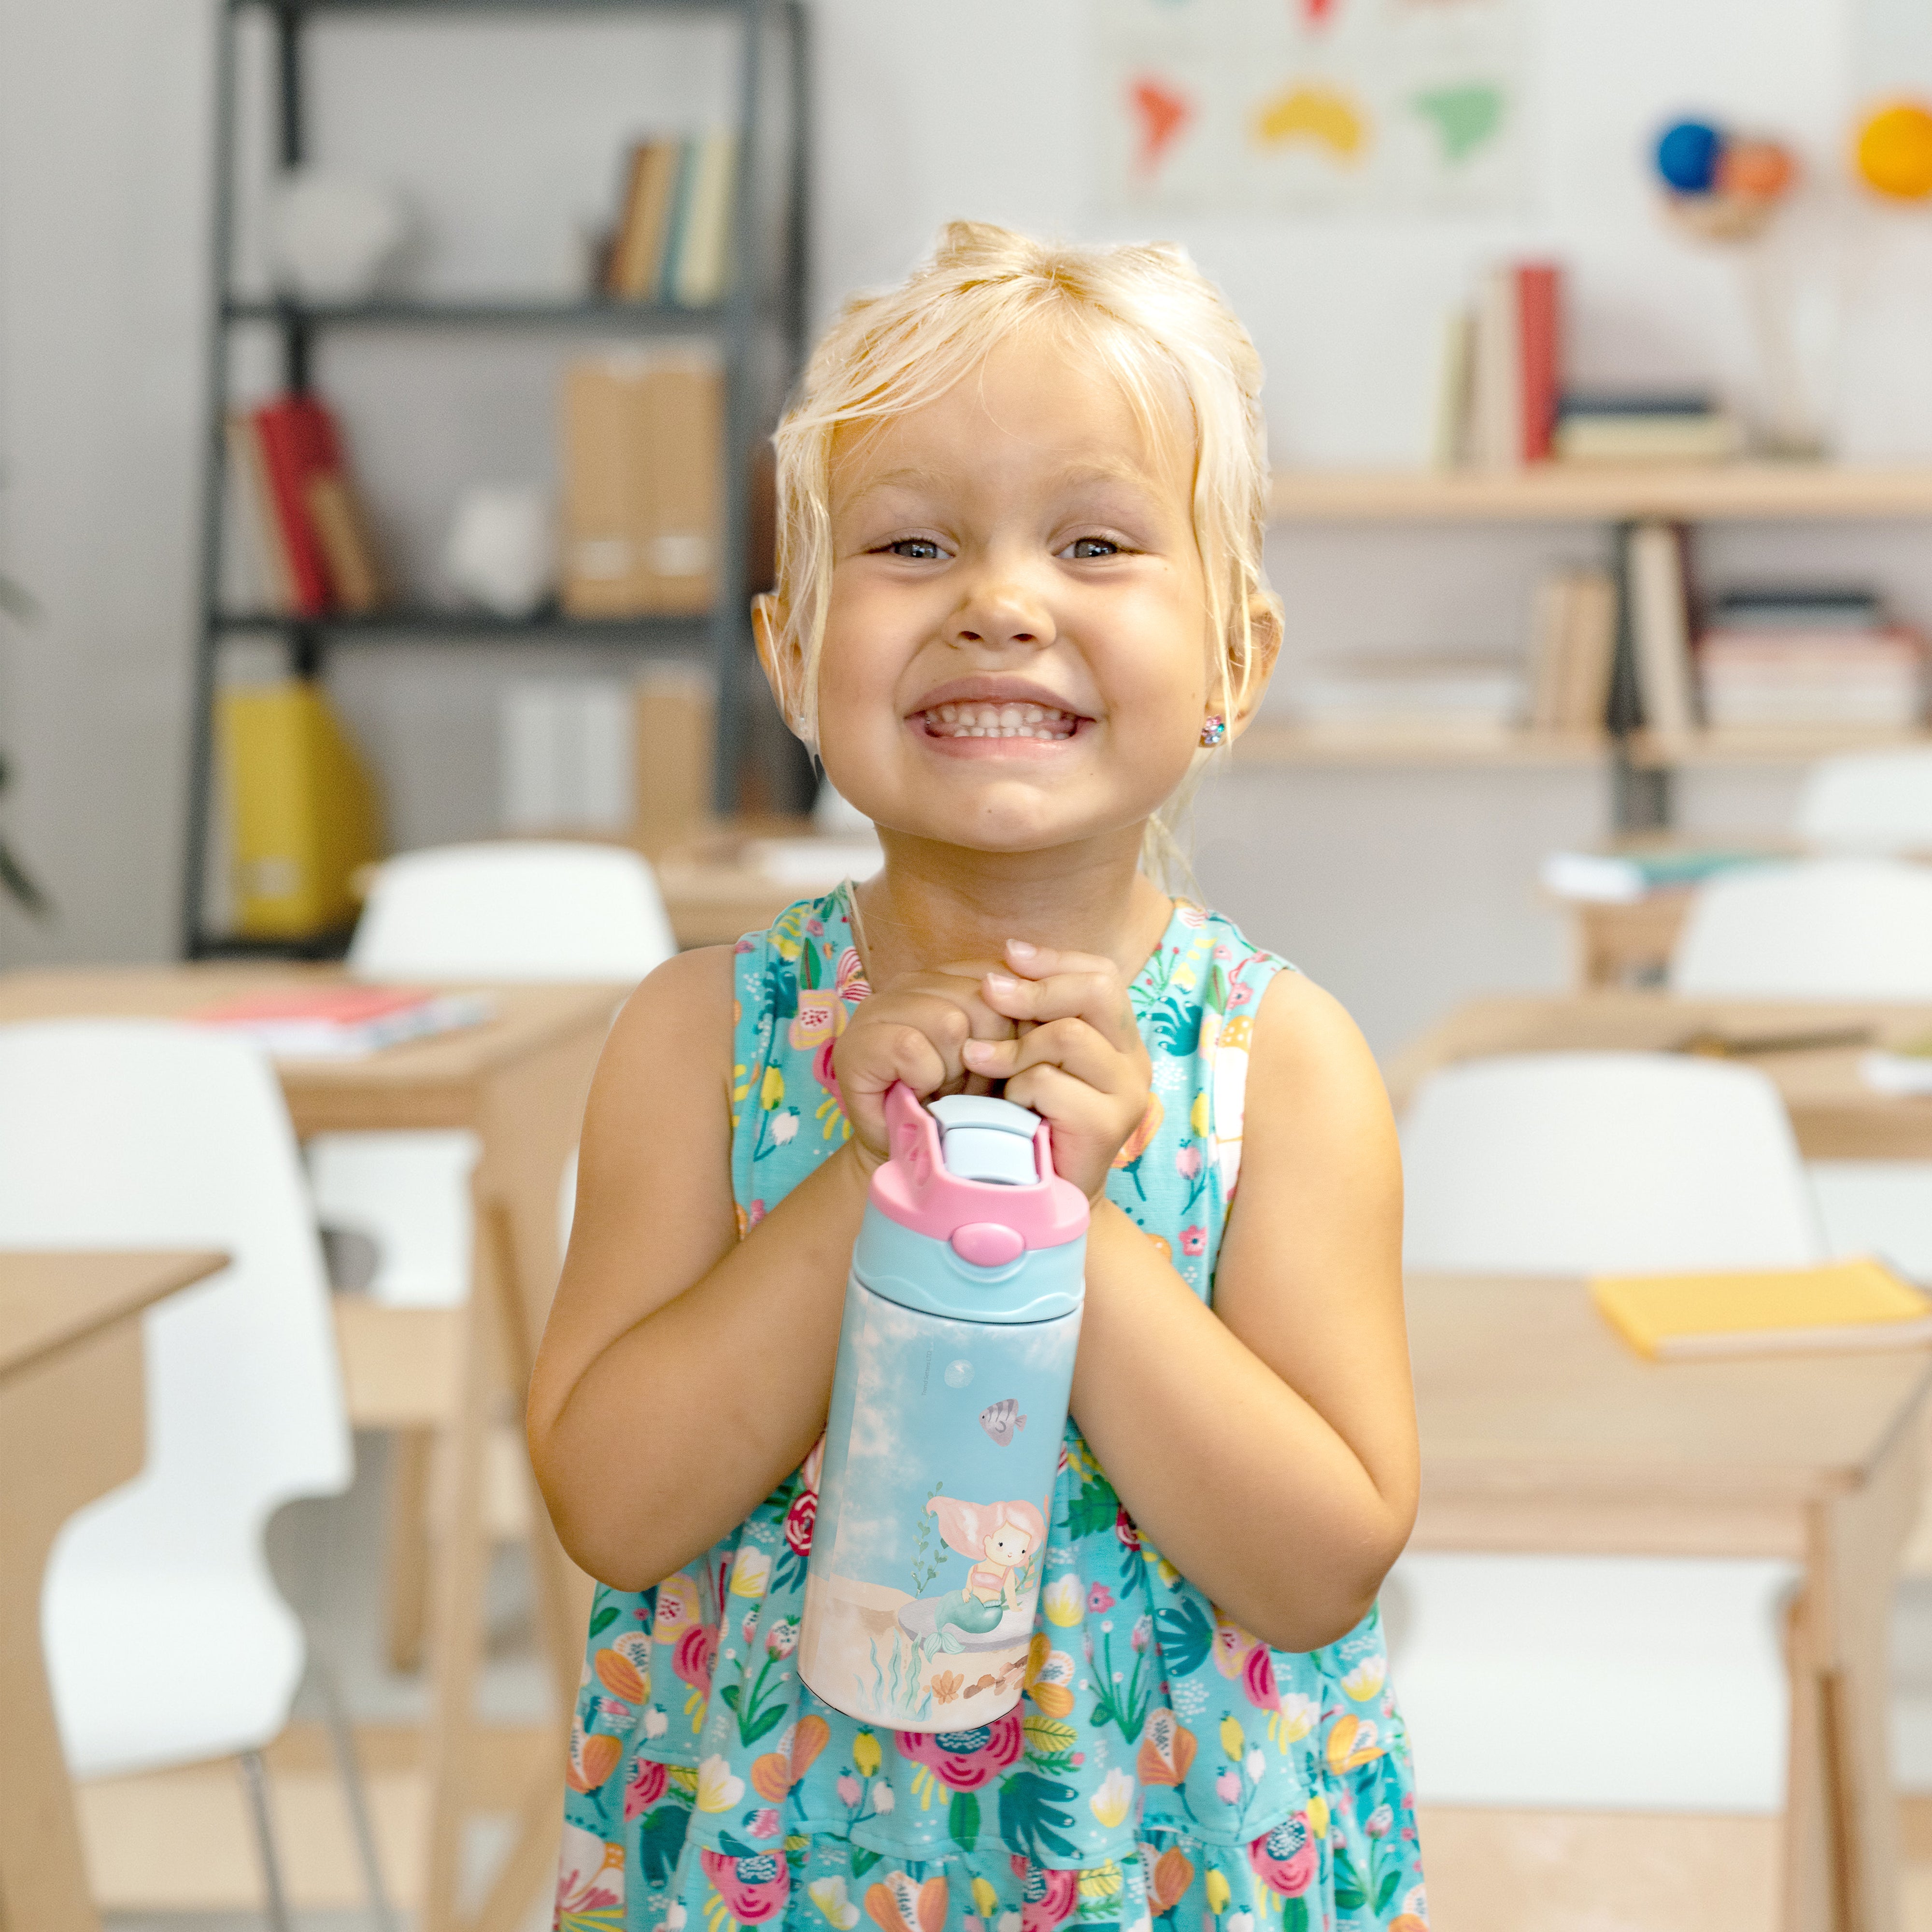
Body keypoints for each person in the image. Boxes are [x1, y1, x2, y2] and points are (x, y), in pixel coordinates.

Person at [529, 223, 1424, 1932]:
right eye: (913, 544)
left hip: (1172, 1879)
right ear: (793, 655)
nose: (1000, 602)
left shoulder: (1282, 1064)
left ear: (1236, 660)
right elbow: (615, 1509)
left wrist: (1080, 1224)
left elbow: (1318, 1567)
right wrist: (876, 1183)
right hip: (775, 1881)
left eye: (1094, 543)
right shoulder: (699, 1037)